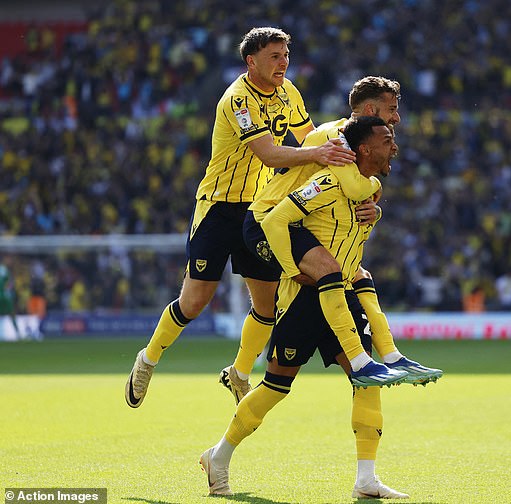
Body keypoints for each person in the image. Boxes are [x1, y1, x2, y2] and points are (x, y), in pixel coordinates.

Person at [124, 27, 357, 408]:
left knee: (267, 306)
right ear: (252, 61)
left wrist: (342, 162)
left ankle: (239, 373)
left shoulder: (289, 92)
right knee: (195, 301)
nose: (283, 62)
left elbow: (310, 137)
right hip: (218, 207)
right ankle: (148, 359)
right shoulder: (237, 100)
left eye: (285, 55)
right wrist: (318, 156)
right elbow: (269, 153)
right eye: (274, 56)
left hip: (259, 210)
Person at [200, 117, 410, 499]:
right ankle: (219, 455)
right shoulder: (327, 177)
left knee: (366, 379)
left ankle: (366, 477)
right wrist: (291, 267)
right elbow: (278, 218)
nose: (393, 143)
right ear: (363, 146)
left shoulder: (364, 191)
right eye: (387, 136)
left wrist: (373, 212)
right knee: (276, 386)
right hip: (305, 298)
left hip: (339, 294)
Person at [223, 76, 442, 402]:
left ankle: (391, 357)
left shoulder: (361, 140)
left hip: (301, 223)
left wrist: (374, 206)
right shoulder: (337, 137)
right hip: (268, 220)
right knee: (324, 277)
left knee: (356, 274)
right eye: (391, 110)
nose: (396, 118)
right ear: (370, 109)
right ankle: (358, 360)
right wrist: (374, 194)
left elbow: (358, 189)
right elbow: (356, 188)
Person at [0, 260, 21, 339]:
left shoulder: (4, 269)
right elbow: (10, 283)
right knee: (11, 314)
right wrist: (7, 291)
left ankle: (18, 333)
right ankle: (18, 333)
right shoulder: (4, 269)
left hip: (2, 295)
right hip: (5, 296)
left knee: (11, 313)